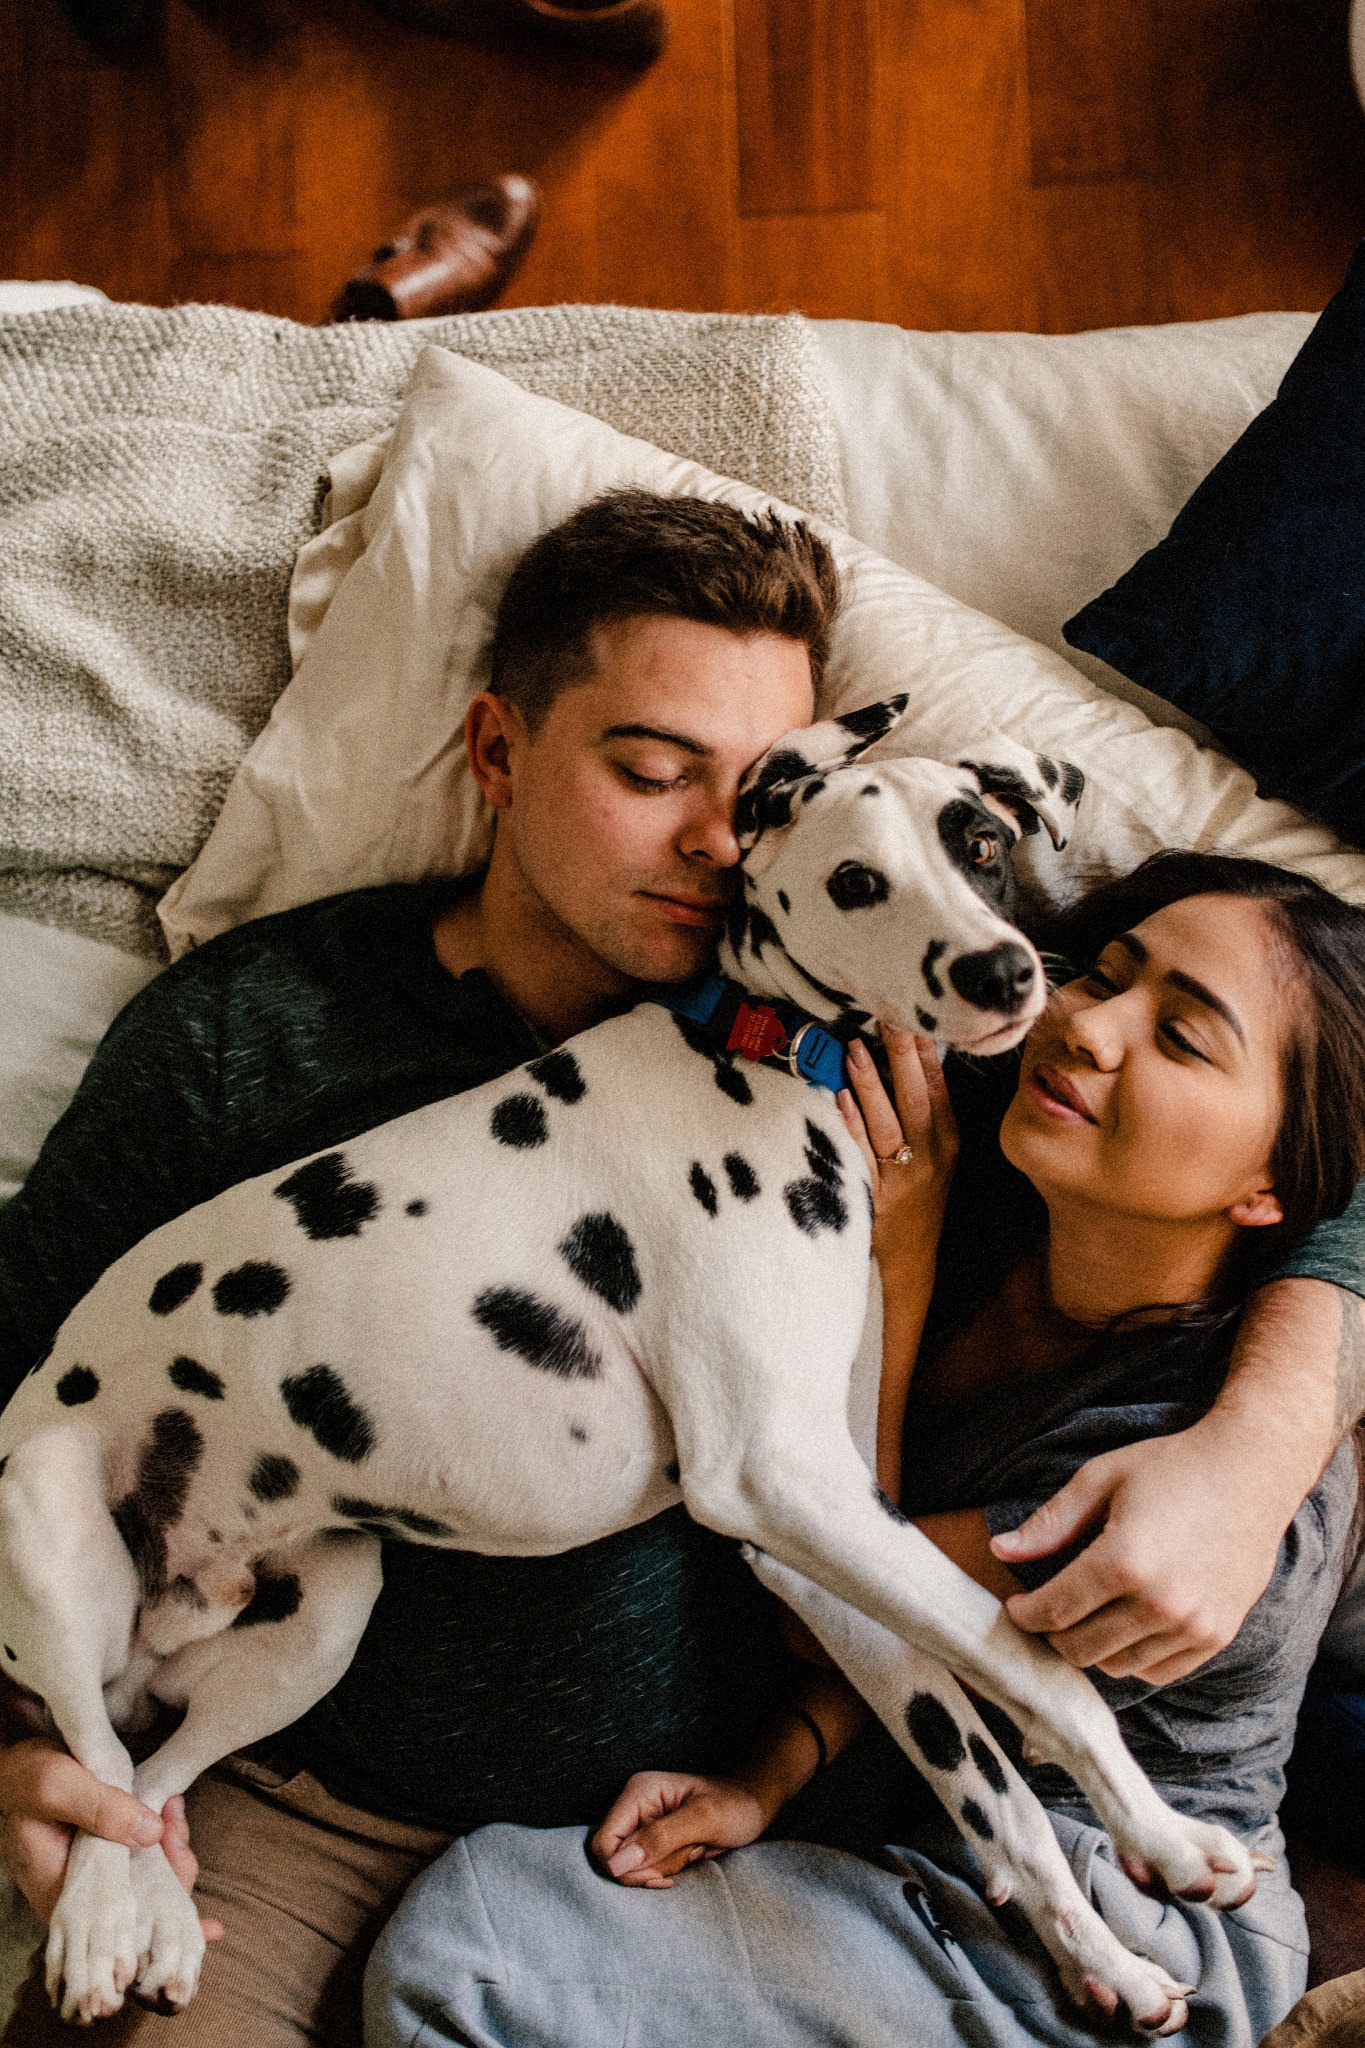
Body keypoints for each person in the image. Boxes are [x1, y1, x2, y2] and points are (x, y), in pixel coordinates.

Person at [0, 489, 1361, 2044]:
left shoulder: (898, 993)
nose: (729, 842)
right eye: (654, 773)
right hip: (293, 1777)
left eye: (774, 784)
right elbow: (21, 1403)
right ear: (498, 756)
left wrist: (1265, 1437)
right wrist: (24, 1751)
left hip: (746, 1836)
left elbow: (1297, 1097)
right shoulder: (251, 1036)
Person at [365, 852, 1365, 2048]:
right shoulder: (1003, 1199)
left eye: (1185, 1036)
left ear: (1272, 1185)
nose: (1091, 1026)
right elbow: (943, 1651)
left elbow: (849, 1599)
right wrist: (768, 1777)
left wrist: (902, 1261)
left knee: (472, 1951)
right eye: (1103, 973)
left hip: (1138, 1917)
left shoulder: (1181, 1477)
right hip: (939, 1828)